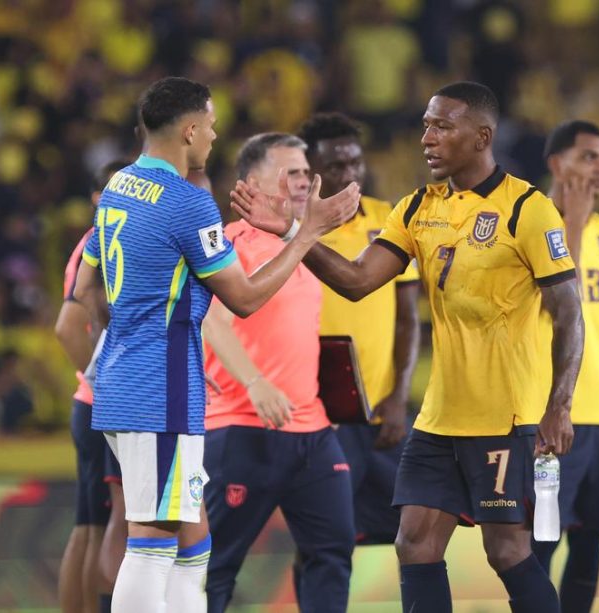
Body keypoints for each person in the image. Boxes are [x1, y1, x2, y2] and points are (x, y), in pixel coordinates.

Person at [231, 81, 584, 613]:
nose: (427, 138)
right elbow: (356, 280)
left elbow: (569, 313)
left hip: (505, 416)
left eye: (442, 126)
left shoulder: (527, 209)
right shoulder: (418, 207)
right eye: (425, 125)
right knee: (414, 542)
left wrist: (559, 405)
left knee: (506, 549)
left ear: (482, 136)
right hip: (439, 419)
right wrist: (293, 234)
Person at [71, 76, 360, 613]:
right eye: (210, 124)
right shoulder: (188, 203)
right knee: (152, 540)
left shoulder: (119, 186)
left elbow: (88, 288)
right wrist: (305, 235)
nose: (214, 135)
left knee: (194, 538)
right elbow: (244, 299)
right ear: (189, 130)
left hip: (123, 377)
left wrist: (142, 331)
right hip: (159, 389)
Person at [201, 132, 355, 613]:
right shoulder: (230, 242)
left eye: (307, 172)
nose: (304, 181)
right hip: (243, 426)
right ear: (252, 183)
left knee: (332, 553)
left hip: (312, 428)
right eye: (291, 172)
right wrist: (254, 381)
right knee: (214, 567)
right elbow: (212, 322)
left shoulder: (306, 246)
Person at [298, 111, 421, 547]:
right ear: (310, 171)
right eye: (335, 165)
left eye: (355, 162)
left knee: (409, 533)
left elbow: (408, 318)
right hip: (321, 415)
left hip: (381, 411)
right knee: (324, 538)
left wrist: (399, 396)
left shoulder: (390, 220)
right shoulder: (292, 232)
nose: (350, 174)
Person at [530, 121, 599, 613]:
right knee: (541, 541)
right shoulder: (532, 222)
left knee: (591, 543)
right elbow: (559, 303)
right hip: (554, 411)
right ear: (557, 164)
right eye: (589, 156)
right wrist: (571, 223)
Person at [55, 159, 127, 613]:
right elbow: (67, 327)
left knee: (89, 526)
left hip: (91, 401)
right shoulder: (100, 241)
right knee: (106, 527)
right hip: (102, 402)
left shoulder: (95, 240)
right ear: (97, 198)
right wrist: (106, 386)